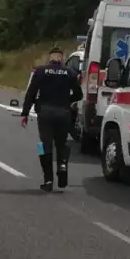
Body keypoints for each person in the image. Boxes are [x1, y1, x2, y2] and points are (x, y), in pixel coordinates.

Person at [20, 46, 84, 192]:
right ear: (62, 58)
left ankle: (48, 179)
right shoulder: (70, 73)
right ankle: (62, 165)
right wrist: (67, 100)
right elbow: (79, 95)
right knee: (62, 144)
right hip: (64, 113)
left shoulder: (40, 71)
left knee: (43, 145)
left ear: (50, 57)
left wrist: (25, 113)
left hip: (45, 113)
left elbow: (31, 93)